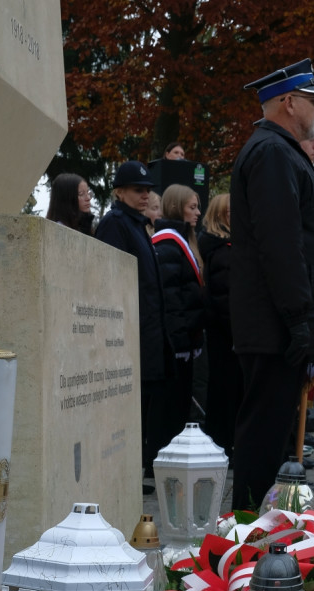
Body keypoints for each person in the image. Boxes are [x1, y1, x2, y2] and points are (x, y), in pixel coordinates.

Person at [230, 59, 314, 510]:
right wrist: (298, 319)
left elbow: (304, 246)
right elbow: (280, 247)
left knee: (275, 438)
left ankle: (260, 533)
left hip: (282, 325)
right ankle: (245, 534)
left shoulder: (281, 151)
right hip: (276, 329)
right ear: (288, 102)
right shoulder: (271, 152)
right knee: (263, 439)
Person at [94, 161, 174, 487]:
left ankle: (136, 469)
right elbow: (110, 283)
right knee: (129, 412)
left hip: (147, 334)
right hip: (128, 338)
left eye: (147, 190)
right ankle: (126, 473)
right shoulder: (116, 224)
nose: (145, 195)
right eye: (137, 190)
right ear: (119, 191)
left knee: (144, 409)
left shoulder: (137, 224)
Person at [152, 184, 206, 440]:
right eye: (192, 207)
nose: (198, 213)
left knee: (180, 405)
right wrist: (182, 341)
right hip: (177, 345)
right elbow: (172, 299)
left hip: (186, 341)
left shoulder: (183, 242)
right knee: (171, 408)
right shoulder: (168, 245)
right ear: (176, 207)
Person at [198, 193, 242, 461]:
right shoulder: (221, 248)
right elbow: (226, 295)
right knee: (227, 392)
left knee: (224, 392)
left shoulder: (218, 245)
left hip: (223, 332)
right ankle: (226, 446)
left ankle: (224, 443)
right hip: (226, 334)